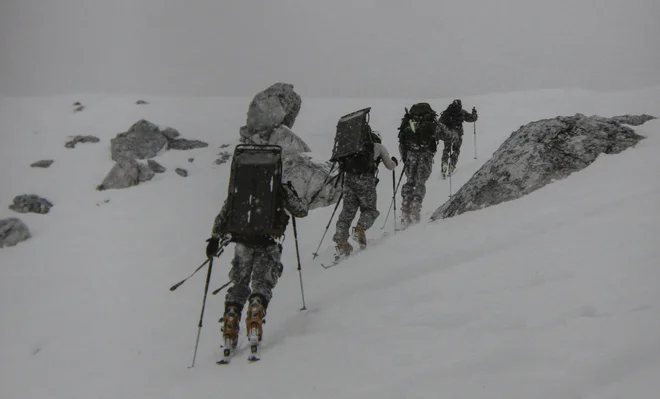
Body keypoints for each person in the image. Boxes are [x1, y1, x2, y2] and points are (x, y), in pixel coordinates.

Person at [205, 172, 308, 351]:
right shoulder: (278, 188)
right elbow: (301, 211)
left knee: (239, 284)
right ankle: (255, 314)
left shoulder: (240, 187)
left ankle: (231, 320)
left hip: (243, 243)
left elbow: (223, 214)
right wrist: (290, 193)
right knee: (262, 283)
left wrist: (214, 238)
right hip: (268, 242)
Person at [332, 130, 398, 258]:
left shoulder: (351, 146)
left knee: (347, 211)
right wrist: (395, 161)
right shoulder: (378, 147)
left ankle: (341, 240)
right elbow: (390, 166)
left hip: (349, 180)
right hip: (366, 181)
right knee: (370, 210)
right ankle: (360, 229)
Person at [397, 102, 446, 227]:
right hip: (425, 155)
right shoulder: (432, 123)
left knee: (410, 181)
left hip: (410, 155)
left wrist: (405, 157)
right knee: (420, 182)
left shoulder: (409, 122)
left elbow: (402, 142)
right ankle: (415, 207)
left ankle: (406, 206)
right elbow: (447, 135)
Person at [438, 99, 478, 177]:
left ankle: (444, 165)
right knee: (456, 150)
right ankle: (452, 166)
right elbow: (472, 118)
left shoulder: (448, 112)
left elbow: (440, 122)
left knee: (446, 149)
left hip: (448, 134)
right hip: (458, 134)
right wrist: (474, 113)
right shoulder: (461, 112)